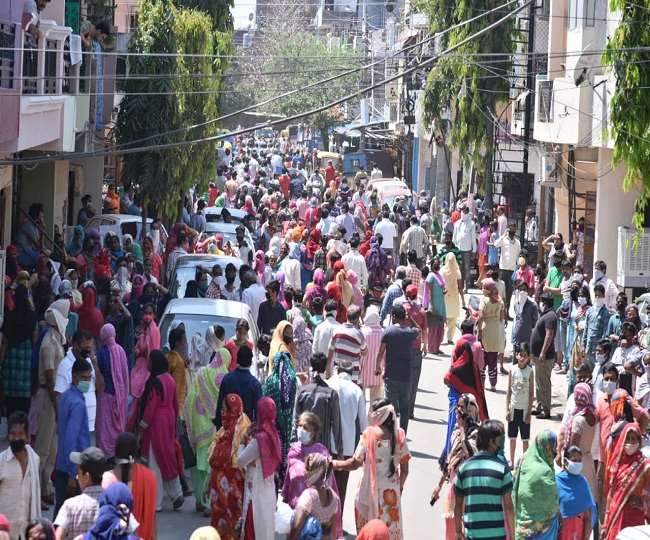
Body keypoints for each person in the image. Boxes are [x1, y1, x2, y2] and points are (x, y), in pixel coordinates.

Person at [333, 399, 410, 538]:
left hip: (368, 491)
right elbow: (405, 470)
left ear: (378, 414)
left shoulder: (368, 435)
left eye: (371, 411)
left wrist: (335, 464)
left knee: (368, 531)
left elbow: (354, 463)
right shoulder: (400, 435)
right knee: (390, 532)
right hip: (391, 495)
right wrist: (400, 488)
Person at [183, 327, 230, 515]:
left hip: (199, 425)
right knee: (210, 464)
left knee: (199, 465)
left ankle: (199, 500)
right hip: (214, 428)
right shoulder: (225, 378)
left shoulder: (201, 373)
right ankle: (209, 501)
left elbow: (191, 398)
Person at [131, 350, 183, 511]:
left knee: (155, 463)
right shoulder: (170, 380)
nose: (148, 364)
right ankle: (176, 493)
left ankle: (155, 502)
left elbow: (150, 408)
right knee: (167, 459)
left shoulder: (154, 383)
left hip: (156, 426)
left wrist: (141, 427)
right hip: (168, 422)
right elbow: (175, 404)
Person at [453, 420, 514, 540]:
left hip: (472, 535)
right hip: (496, 535)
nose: (502, 443)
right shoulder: (502, 469)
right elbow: (509, 507)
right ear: (491, 442)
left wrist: (458, 532)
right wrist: (513, 535)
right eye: (500, 439)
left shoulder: (464, 468)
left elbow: (458, 505)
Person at [34, 299, 69, 508]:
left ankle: (46, 488)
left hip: (55, 396)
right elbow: (49, 376)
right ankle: (37, 490)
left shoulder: (56, 339)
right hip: (49, 397)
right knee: (43, 447)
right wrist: (56, 403)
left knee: (53, 448)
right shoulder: (48, 342)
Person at [430, 394, 479, 540]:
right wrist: (439, 486)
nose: (458, 410)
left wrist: (464, 430)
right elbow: (450, 461)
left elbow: (471, 453)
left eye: (462, 407)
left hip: (469, 489)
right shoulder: (456, 432)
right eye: (458, 406)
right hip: (454, 486)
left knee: (464, 528)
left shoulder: (477, 432)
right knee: (450, 525)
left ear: (471, 410)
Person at [237, 397, 280, 540]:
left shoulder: (258, 440)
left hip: (255, 495)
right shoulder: (274, 436)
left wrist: (242, 442)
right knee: (266, 531)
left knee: (254, 532)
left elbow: (240, 460)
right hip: (269, 493)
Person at [53, 358, 92, 516]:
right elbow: (71, 440)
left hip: (62, 463)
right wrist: (73, 474)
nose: (87, 382)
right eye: (84, 378)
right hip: (73, 468)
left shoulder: (64, 397)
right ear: (74, 377)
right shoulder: (78, 404)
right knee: (72, 518)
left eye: (89, 378)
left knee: (61, 513)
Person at [208, 394, 250, 538]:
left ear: (233, 410)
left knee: (232, 524)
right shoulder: (224, 430)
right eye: (221, 409)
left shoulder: (242, 431)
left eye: (225, 409)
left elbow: (240, 462)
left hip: (232, 491)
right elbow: (213, 459)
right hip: (219, 493)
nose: (222, 412)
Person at [101, 432, 157, 540]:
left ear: (116, 451)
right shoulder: (150, 477)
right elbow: (153, 516)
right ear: (136, 451)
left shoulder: (107, 478)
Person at [601, 422, 650, 539]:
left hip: (634, 516)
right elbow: (611, 494)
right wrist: (605, 522)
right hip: (615, 515)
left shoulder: (645, 465)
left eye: (633, 439)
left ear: (639, 441)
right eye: (627, 439)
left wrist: (642, 503)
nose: (630, 442)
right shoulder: (617, 464)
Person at [375, 304, 419, 433]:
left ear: (393, 316)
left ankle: (390, 433)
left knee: (390, 407)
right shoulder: (409, 332)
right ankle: (402, 434)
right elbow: (419, 329)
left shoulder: (388, 332)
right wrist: (410, 318)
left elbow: (380, 353)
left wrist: (378, 367)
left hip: (390, 376)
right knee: (405, 408)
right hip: (406, 376)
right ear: (403, 317)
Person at [0, 412, 41, 540]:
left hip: (26, 532)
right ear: (8, 436)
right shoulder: (1, 462)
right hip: (5, 532)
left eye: (20, 434)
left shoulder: (34, 459)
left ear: (28, 437)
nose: (16, 438)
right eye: (13, 434)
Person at [513, 430, 560, 539]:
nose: (555, 451)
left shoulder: (523, 460)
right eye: (553, 447)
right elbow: (552, 505)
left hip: (522, 527)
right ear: (547, 448)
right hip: (542, 530)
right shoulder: (545, 471)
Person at [53, 447, 107, 540]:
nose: (77, 477)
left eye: (78, 472)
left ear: (86, 477)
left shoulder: (70, 505)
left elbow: (58, 536)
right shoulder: (115, 505)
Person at [293, 353, 342, 455]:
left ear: (311, 367)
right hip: (323, 451)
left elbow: (295, 421)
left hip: (304, 449)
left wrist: (294, 446)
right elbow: (336, 426)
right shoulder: (331, 394)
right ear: (324, 368)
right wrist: (339, 451)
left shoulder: (302, 392)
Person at [0, 284, 38, 417]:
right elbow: (34, 341)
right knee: (24, 407)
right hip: (26, 365)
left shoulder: (9, 317)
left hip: (11, 364)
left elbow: (4, 343)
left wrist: (1, 363)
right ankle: (22, 431)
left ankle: (11, 431)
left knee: (10, 404)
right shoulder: (32, 317)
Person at [263, 349, 297, 482]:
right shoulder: (293, 379)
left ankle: (275, 474)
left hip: (273, 422)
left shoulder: (271, 380)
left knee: (274, 447)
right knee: (284, 445)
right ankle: (284, 474)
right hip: (287, 421)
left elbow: (265, 399)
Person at [95, 323, 129, 456]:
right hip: (120, 396)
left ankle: (105, 453)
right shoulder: (121, 351)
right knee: (117, 425)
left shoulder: (101, 353)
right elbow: (126, 374)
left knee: (105, 426)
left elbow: (99, 376)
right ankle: (117, 451)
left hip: (105, 396)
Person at [289, 454, 339, 540]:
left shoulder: (308, 496)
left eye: (307, 469)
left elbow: (296, 528)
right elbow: (334, 532)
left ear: (313, 472)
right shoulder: (334, 497)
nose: (304, 472)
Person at [556, 445, 596, 540]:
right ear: (565, 461)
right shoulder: (556, 481)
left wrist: (586, 537)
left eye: (579, 461)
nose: (577, 464)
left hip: (578, 533)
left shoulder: (583, 482)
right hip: (561, 533)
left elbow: (589, 516)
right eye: (574, 460)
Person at [506, 343, 534, 467]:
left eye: (525, 356)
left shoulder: (530, 371)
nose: (522, 358)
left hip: (524, 411)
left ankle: (525, 463)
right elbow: (509, 391)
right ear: (516, 355)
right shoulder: (512, 370)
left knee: (525, 439)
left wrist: (529, 413)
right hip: (513, 409)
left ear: (528, 358)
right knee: (512, 437)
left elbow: (531, 393)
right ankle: (511, 461)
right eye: (520, 355)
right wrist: (507, 409)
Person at [530, 295, 557, 419]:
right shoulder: (545, 315)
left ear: (544, 303)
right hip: (538, 356)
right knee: (539, 382)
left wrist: (542, 352)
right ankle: (539, 406)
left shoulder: (550, 316)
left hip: (544, 357)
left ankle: (546, 410)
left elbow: (549, 335)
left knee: (544, 384)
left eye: (541, 302)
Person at [476, 278, 506, 391]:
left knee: (483, 359)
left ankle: (482, 384)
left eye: (484, 288)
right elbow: (502, 318)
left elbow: (480, 317)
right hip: (496, 331)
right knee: (493, 359)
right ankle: (493, 385)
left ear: (487, 290)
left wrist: (479, 331)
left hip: (486, 330)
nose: (482, 289)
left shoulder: (484, 301)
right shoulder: (500, 301)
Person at [327, 304, 366, 381]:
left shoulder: (336, 331)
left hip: (338, 373)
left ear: (346, 315)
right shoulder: (359, 334)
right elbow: (365, 352)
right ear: (358, 318)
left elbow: (330, 351)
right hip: (353, 376)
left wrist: (328, 369)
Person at [130, 303, 160, 398]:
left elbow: (154, 351)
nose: (147, 316)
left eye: (150, 313)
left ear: (154, 315)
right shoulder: (144, 329)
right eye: (146, 313)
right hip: (140, 367)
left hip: (147, 369)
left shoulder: (154, 330)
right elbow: (136, 348)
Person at [582, 283, 611, 368]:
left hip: (598, 350)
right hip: (588, 347)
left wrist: (602, 348)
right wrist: (583, 345)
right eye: (596, 295)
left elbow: (605, 332)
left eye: (600, 295)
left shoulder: (606, 312)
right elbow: (586, 329)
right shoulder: (590, 311)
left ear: (603, 295)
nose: (598, 297)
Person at [360, 306, 384, 401]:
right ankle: (372, 415)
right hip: (377, 373)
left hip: (362, 372)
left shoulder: (362, 332)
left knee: (361, 400)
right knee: (375, 402)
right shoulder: (383, 333)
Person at [494, 222, 521, 308]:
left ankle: (506, 312)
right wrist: (503, 235)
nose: (512, 229)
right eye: (510, 227)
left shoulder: (517, 242)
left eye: (513, 227)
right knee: (501, 291)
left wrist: (518, 269)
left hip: (512, 271)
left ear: (515, 229)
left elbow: (518, 256)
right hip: (503, 270)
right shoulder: (503, 240)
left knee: (509, 292)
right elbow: (495, 244)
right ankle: (499, 312)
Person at [511, 281, 538, 359]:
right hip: (517, 335)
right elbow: (515, 318)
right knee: (516, 358)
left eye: (524, 289)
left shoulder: (533, 304)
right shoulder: (516, 302)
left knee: (526, 358)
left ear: (528, 291)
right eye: (521, 289)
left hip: (527, 337)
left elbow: (535, 322)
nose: (522, 292)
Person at [424, 257, 446, 355]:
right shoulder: (431, 276)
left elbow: (441, 288)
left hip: (441, 304)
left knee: (440, 327)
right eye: (435, 263)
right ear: (432, 265)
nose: (437, 265)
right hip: (434, 305)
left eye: (438, 263)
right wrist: (431, 306)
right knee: (433, 328)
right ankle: (431, 348)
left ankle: (437, 347)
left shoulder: (439, 275)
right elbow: (429, 292)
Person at [441, 252, 464, 344]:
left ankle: (440, 338)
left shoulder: (442, 271)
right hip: (454, 298)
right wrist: (463, 300)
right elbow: (460, 287)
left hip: (445, 297)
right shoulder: (457, 271)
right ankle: (450, 338)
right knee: (453, 319)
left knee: (443, 319)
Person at [452, 206, 477, 291]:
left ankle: (466, 286)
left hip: (467, 250)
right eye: (463, 212)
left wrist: (474, 251)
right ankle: (460, 286)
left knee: (467, 268)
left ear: (468, 213)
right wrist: (454, 248)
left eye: (466, 212)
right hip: (458, 249)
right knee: (459, 268)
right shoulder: (457, 223)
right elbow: (454, 237)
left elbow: (473, 238)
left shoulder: (472, 224)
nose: (464, 214)